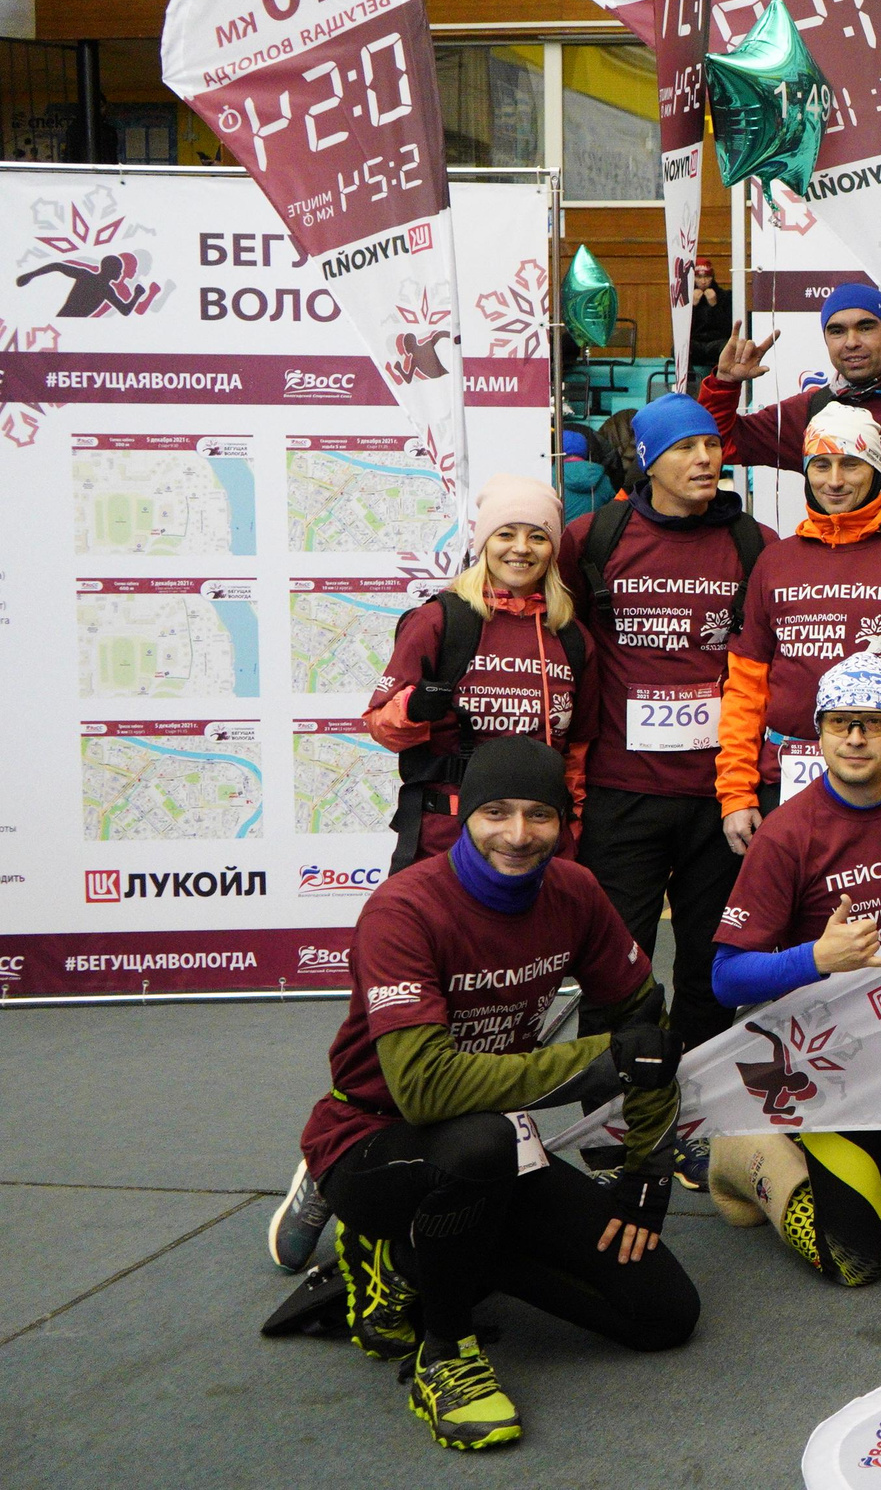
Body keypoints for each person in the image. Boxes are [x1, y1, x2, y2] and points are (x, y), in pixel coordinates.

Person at [295, 738, 693, 1451]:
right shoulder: (404, 909)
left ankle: (415, 1262)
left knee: (662, 1314)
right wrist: (600, 1061)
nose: (518, 834)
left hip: (493, 1145)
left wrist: (645, 1172)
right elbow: (424, 1086)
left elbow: (647, 1031)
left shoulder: (574, 890)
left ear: (563, 821)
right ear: (463, 813)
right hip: (372, 1139)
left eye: (539, 814)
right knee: (479, 1141)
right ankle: (443, 1352)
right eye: (497, 812)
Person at [703, 654, 881, 1287]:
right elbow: (725, 977)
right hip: (836, 1050)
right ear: (820, 734)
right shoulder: (787, 835)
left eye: (873, 723)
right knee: (854, 1262)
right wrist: (816, 960)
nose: (855, 738)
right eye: (839, 723)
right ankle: (745, 1153)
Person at [566, 394, 776, 1067]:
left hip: (718, 797)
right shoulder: (593, 537)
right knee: (614, 966)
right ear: (649, 459)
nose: (705, 457)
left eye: (712, 444)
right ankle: (611, 1116)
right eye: (686, 447)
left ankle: (700, 1119)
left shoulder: (753, 543)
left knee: (709, 969)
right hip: (621, 792)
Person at [715, 402, 881, 886]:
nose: (834, 480)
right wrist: (736, 794)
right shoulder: (776, 560)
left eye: (850, 464)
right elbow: (745, 689)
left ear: (875, 469)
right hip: (784, 782)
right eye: (820, 465)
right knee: (789, 935)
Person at [366, 474, 598, 872]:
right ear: (484, 543)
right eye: (506, 533)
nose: (521, 549)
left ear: (553, 549)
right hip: (446, 839)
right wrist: (413, 708)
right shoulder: (440, 622)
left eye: (538, 537)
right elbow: (380, 725)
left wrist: (571, 829)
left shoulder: (572, 637)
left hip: (539, 846)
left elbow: (576, 755)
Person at [699, 282, 881, 514]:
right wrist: (725, 384)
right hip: (840, 565)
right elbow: (716, 445)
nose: (851, 342)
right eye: (837, 331)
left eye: (866, 327)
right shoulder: (808, 412)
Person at [686, 260, 732, 382]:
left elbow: (727, 328)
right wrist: (692, 308)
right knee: (680, 347)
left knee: (727, 346)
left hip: (716, 343)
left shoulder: (724, 296)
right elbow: (681, 330)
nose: (703, 281)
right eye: (699, 277)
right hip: (696, 343)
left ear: (712, 277)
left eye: (707, 276)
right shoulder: (685, 297)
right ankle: (690, 384)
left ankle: (720, 381)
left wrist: (715, 306)